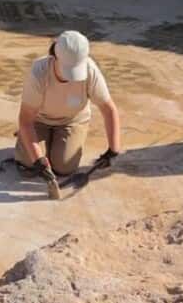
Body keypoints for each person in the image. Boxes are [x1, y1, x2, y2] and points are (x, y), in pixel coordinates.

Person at [15, 30, 123, 199]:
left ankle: (47, 143)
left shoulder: (90, 70)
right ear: (54, 56)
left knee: (64, 167)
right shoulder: (39, 71)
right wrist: (38, 161)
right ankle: (28, 141)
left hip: (72, 120)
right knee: (28, 164)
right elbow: (26, 119)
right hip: (39, 120)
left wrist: (113, 149)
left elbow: (108, 109)